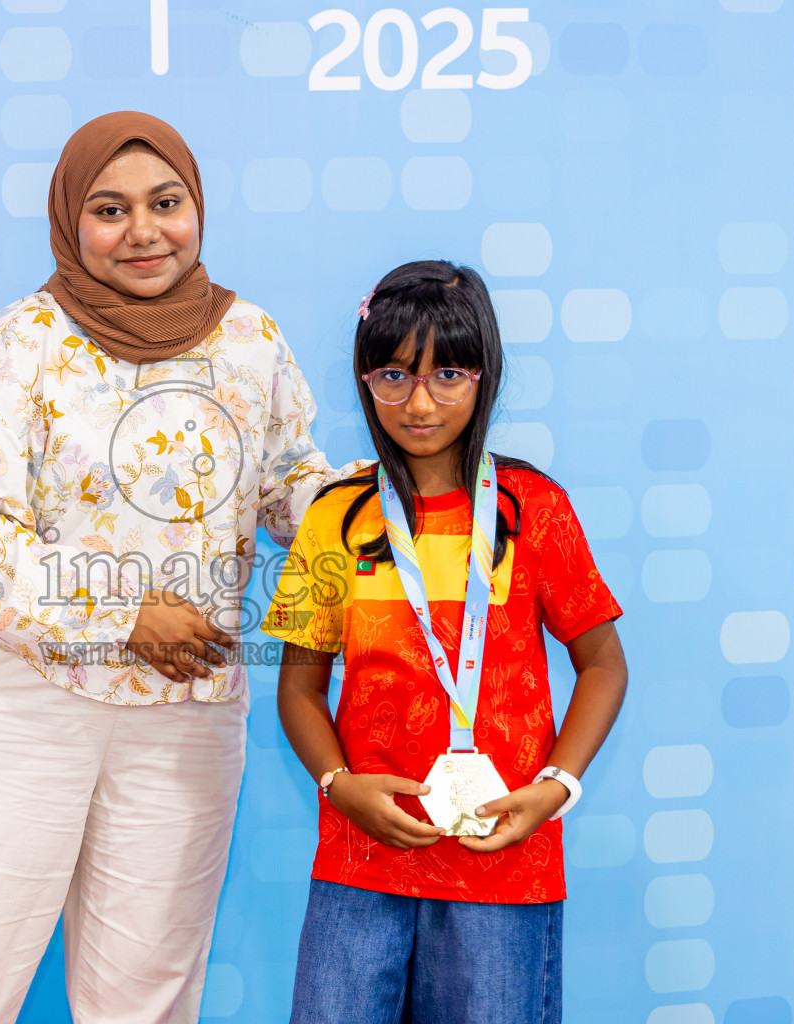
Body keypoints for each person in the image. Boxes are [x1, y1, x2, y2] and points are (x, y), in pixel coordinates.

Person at [0, 111, 362, 1024]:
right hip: (18, 704)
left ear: (197, 208)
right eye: (110, 209)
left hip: (183, 719)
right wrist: (121, 611)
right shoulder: (19, 343)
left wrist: (386, 510)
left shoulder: (251, 341)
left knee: (149, 996)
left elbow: (286, 485)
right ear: (72, 222)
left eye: (166, 203)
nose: (144, 230)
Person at [262, 260, 629, 1024]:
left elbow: (603, 664)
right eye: (393, 376)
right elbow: (298, 689)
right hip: (361, 857)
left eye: (448, 374)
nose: (419, 401)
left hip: (502, 854)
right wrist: (338, 785)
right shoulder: (335, 519)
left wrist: (558, 786)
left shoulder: (535, 509)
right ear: (364, 380)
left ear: (484, 375)